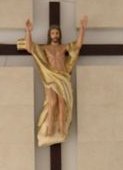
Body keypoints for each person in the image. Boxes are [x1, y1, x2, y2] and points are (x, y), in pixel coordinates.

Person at [24, 16, 88, 147]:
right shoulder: (45, 48)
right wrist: (28, 31)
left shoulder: (64, 47)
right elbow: (30, 47)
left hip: (63, 78)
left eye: (57, 33)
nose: (55, 35)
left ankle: (62, 130)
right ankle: (50, 130)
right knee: (52, 102)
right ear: (49, 35)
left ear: (59, 35)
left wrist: (82, 28)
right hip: (50, 78)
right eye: (53, 33)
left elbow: (77, 45)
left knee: (62, 104)